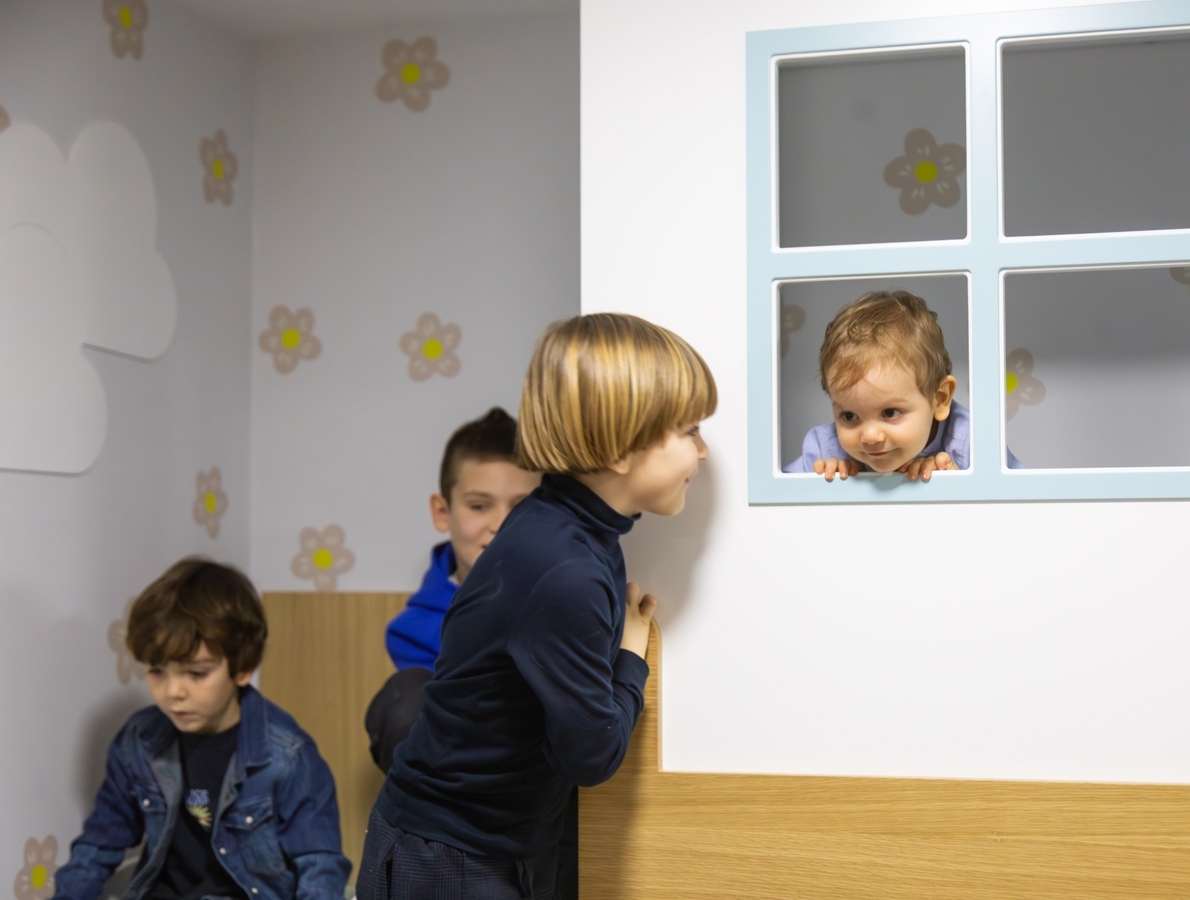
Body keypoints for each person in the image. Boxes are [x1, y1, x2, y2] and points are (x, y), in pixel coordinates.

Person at [357, 313, 717, 900]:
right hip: (450, 855)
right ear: (622, 447)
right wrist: (630, 659)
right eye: (691, 431)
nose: (701, 452)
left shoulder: (566, 526)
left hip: (492, 842)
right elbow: (591, 755)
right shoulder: (564, 569)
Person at [53, 558, 349, 900]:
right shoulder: (139, 740)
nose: (173, 691)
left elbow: (320, 866)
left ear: (243, 668)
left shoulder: (287, 756)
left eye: (196, 673)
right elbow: (98, 844)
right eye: (157, 671)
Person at [366, 407, 541, 775]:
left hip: (548, 784)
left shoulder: (572, 600)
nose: (501, 525)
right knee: (407, 698)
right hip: (461, 788)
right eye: (479, 506)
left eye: (522, 507)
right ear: (443, 512)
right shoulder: (412, 632)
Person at [783, 290, 1024, 480]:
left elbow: (1025, 505)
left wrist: (959, 488)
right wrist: (820, 487)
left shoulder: (973, 444)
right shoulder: (825, 448)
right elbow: (773, 510)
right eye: (849, 416)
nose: (870, 437)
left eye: (890, 412)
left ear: (939, 399)